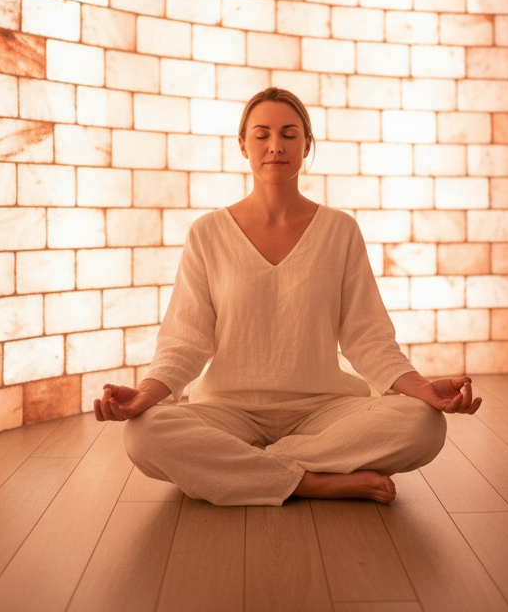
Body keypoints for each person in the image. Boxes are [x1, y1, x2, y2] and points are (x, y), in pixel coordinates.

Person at [93, 87, 481, 505]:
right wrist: (146, 395)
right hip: (227, 410)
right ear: (242, 145)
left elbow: (367, 337)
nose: (275, 146)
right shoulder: (207, 234)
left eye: (289, 134)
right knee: (144, 435)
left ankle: (243, 469)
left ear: (307, 145)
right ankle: (311, 480)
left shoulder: (340, 231)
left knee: (424, 425)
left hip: (324, 409)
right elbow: (185, 341)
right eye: (261, 135)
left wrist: (421, 388)